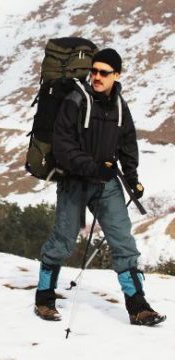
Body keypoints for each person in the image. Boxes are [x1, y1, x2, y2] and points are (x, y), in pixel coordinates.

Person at [34, 48, 165, 326]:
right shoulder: (75, 100)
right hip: (75, 183)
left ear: (116, 75)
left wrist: (132, 179)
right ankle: (44, 296)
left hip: (106, 183)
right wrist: (93, 167)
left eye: (103, 72)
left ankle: (138, 306)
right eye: (93, 70)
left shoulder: (119, 105)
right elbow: (62, 146)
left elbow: (127, 142)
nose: (96, 76)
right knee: (63, 241)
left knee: (123, 242)